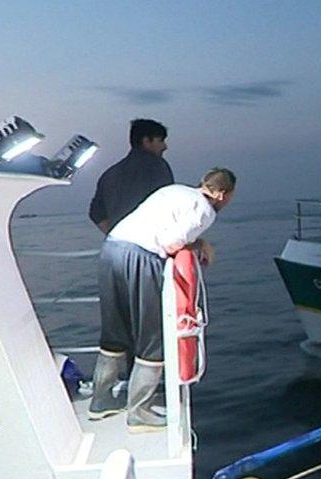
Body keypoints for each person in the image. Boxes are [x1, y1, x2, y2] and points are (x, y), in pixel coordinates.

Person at [88, 167, 236, 433]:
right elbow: (170, 242)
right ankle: (139, 412)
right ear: (223, 194)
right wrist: (199, 244)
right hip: (139, 257)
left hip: (112, 249)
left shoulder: (175, 190)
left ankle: (100, 401)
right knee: (153, 336)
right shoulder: (204, 209)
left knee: (115, 331)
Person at [88, 119, 174, 234]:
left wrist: (115, 235)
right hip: (150, 241)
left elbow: (96, 212)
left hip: (118, 245)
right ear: (146, 141)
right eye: (161, 141)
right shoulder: (157, 166)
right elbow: (168, 205)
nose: (164, 146)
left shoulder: (110, 173)